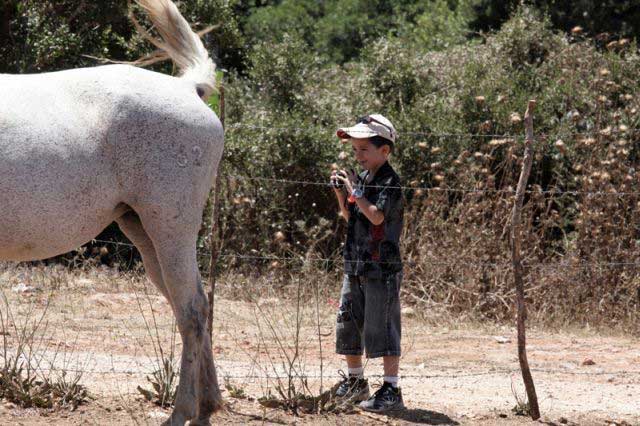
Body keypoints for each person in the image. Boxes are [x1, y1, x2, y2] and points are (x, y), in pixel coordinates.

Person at [330, 114, 405, 413]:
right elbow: (352, 217)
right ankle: (356, 381)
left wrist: (354, 192)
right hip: (356, 263)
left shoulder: (390, 182)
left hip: (381, 267)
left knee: (382, 326)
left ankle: (391, 388)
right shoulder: (360, 180)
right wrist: (341, 194)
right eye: (355, 149)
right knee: (349, 320)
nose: (357, 155)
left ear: (384, 151)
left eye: (364, 149)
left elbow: (377, 216)